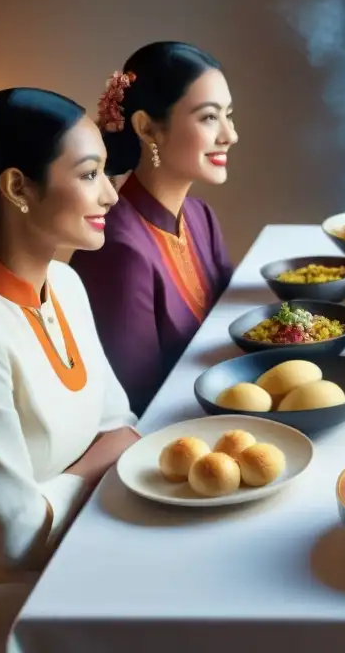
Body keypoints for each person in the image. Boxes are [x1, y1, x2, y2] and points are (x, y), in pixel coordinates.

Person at [0, 88, 140, 652]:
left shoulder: (66, 283)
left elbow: (123, 425)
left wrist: (51, 493)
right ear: (16, 188)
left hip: (78, 545)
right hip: (5, 596)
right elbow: (10, 542)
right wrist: (97, 467)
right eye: (89, 175)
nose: (110, 194)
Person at [70, 42, 237, 416]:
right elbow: (135, 406)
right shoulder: (117, 250)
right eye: (210, 117)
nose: (230, 135)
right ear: (147, 128)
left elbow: (233, 327)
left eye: (229, 115)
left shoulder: (200, 218)